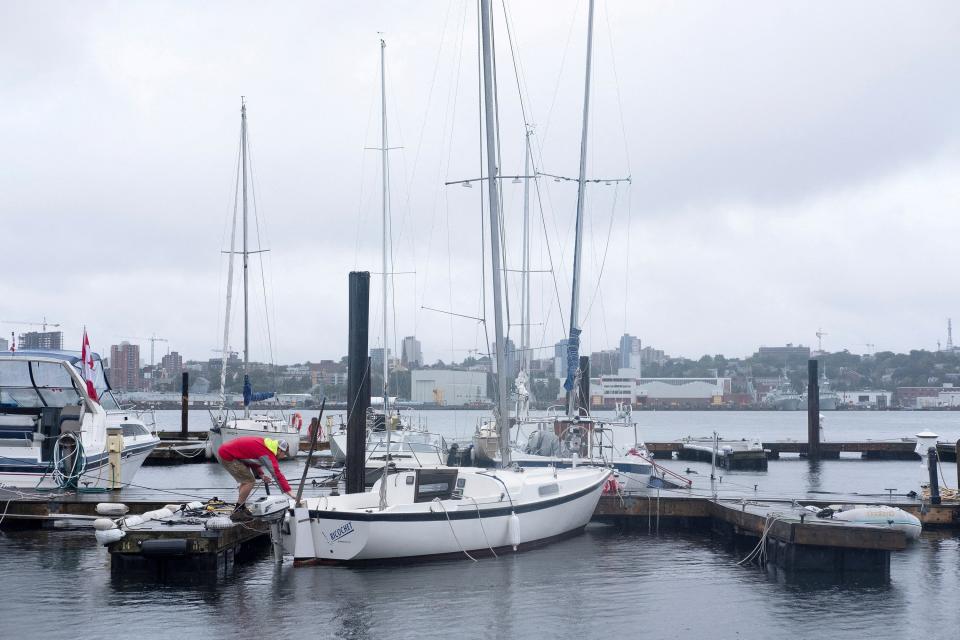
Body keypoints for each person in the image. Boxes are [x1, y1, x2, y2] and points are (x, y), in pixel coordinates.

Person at [217, 436, 297, 513]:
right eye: (285, 454)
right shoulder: (268, 453)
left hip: (226, 451)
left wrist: (261, 475)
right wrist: (289, 492)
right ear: (279, 450)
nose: (284, 456)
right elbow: (277, 474)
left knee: (246, 481)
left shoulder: (266, 445)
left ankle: (241, 506)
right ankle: (239, 509)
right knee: (249, 481)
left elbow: (252, 460)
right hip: (228, 455)